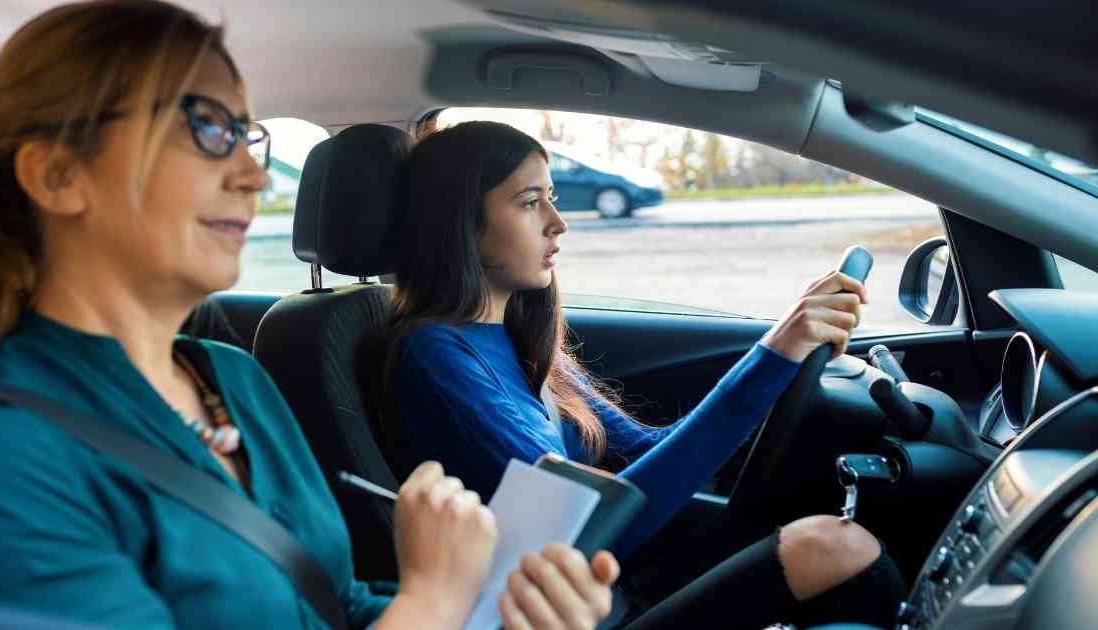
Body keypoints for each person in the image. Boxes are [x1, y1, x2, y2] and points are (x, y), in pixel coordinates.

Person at [0, 3, 619, 629]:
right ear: (58, 175)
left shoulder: (234, 379)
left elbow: (332, 606)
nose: (250, 175)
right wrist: (434, 596)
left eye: (247, 136)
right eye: (208, 128)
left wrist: (500, 611)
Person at [379, 121, 907, 628]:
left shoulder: (524, 342)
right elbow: (585, 529)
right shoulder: (437, 355)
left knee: (840, 540)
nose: (557, 223)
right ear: (460, 224)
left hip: (609, 583)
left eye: (552, 198)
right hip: (573, 611)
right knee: (834, 548)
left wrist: (779, 368)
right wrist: (774, 353)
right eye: (529, 202)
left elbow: (645, 451)